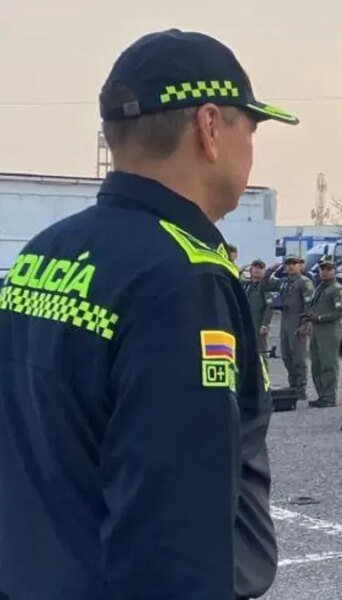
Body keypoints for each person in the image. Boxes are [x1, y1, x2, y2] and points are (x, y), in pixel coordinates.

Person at [0, 29, 297, 599]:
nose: (252, 147)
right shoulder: (181, 278)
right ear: (210, 127)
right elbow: (175, 531)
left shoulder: (44, 251)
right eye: (251, 127)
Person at [305, 257, 342, 408]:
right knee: (316, 364)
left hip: (329, 330)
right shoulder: (320, 288)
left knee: (328, 364)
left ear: (335, 271)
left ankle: (329, 396)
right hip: (316, 329)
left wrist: (321, 317)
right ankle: (322, 394)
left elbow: (341, 311)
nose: (324, 272)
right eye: (322, 269)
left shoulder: (337, 289)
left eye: (328, 269)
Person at [274, 255, 314, 400]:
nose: (291, 266)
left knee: (298, 357)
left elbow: (310, 305)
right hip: (285, 321)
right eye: (288, 264)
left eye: (294, 264)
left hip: (297, 322)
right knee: (287, 356)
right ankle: (293, 386)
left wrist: (305, 324)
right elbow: (266, 285)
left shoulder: (304, 282)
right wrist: (272, 269)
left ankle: (301, 388)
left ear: (300, 265)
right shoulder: (285, 282)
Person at [243, 258, 277, 352]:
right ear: (250, 270)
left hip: (258, 323)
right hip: (245, 323)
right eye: (255, 267)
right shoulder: (246, 285)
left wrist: (265, 324)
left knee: (260, 352)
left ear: (264, 271)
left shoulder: (265, 286)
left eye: (260, 268)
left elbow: (270, 307)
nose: (257, 270)